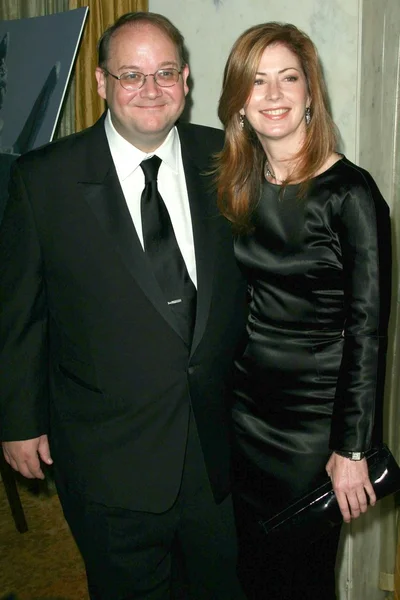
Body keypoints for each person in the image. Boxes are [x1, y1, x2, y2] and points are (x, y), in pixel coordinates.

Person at [0, 12, 247, 600]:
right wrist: (17, 420)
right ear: (100, 82)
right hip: (107, 458)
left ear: (187, 81)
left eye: (165, 72)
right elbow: (17, 314)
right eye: (130, 75)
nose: (150, 89)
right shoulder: (44, 179)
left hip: (217, 456)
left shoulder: (229, 161)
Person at [215, 22, 391, 600]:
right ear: (238, 101)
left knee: (301, 579)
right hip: (246, 416)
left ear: (310, 93)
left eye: (287, 78)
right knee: (250, 573)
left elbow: (368, 331)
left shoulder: (351, 194)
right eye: (256, 81)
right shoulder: (239, 184)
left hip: (314, 430)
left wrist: (353, 448)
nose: (272, 95)